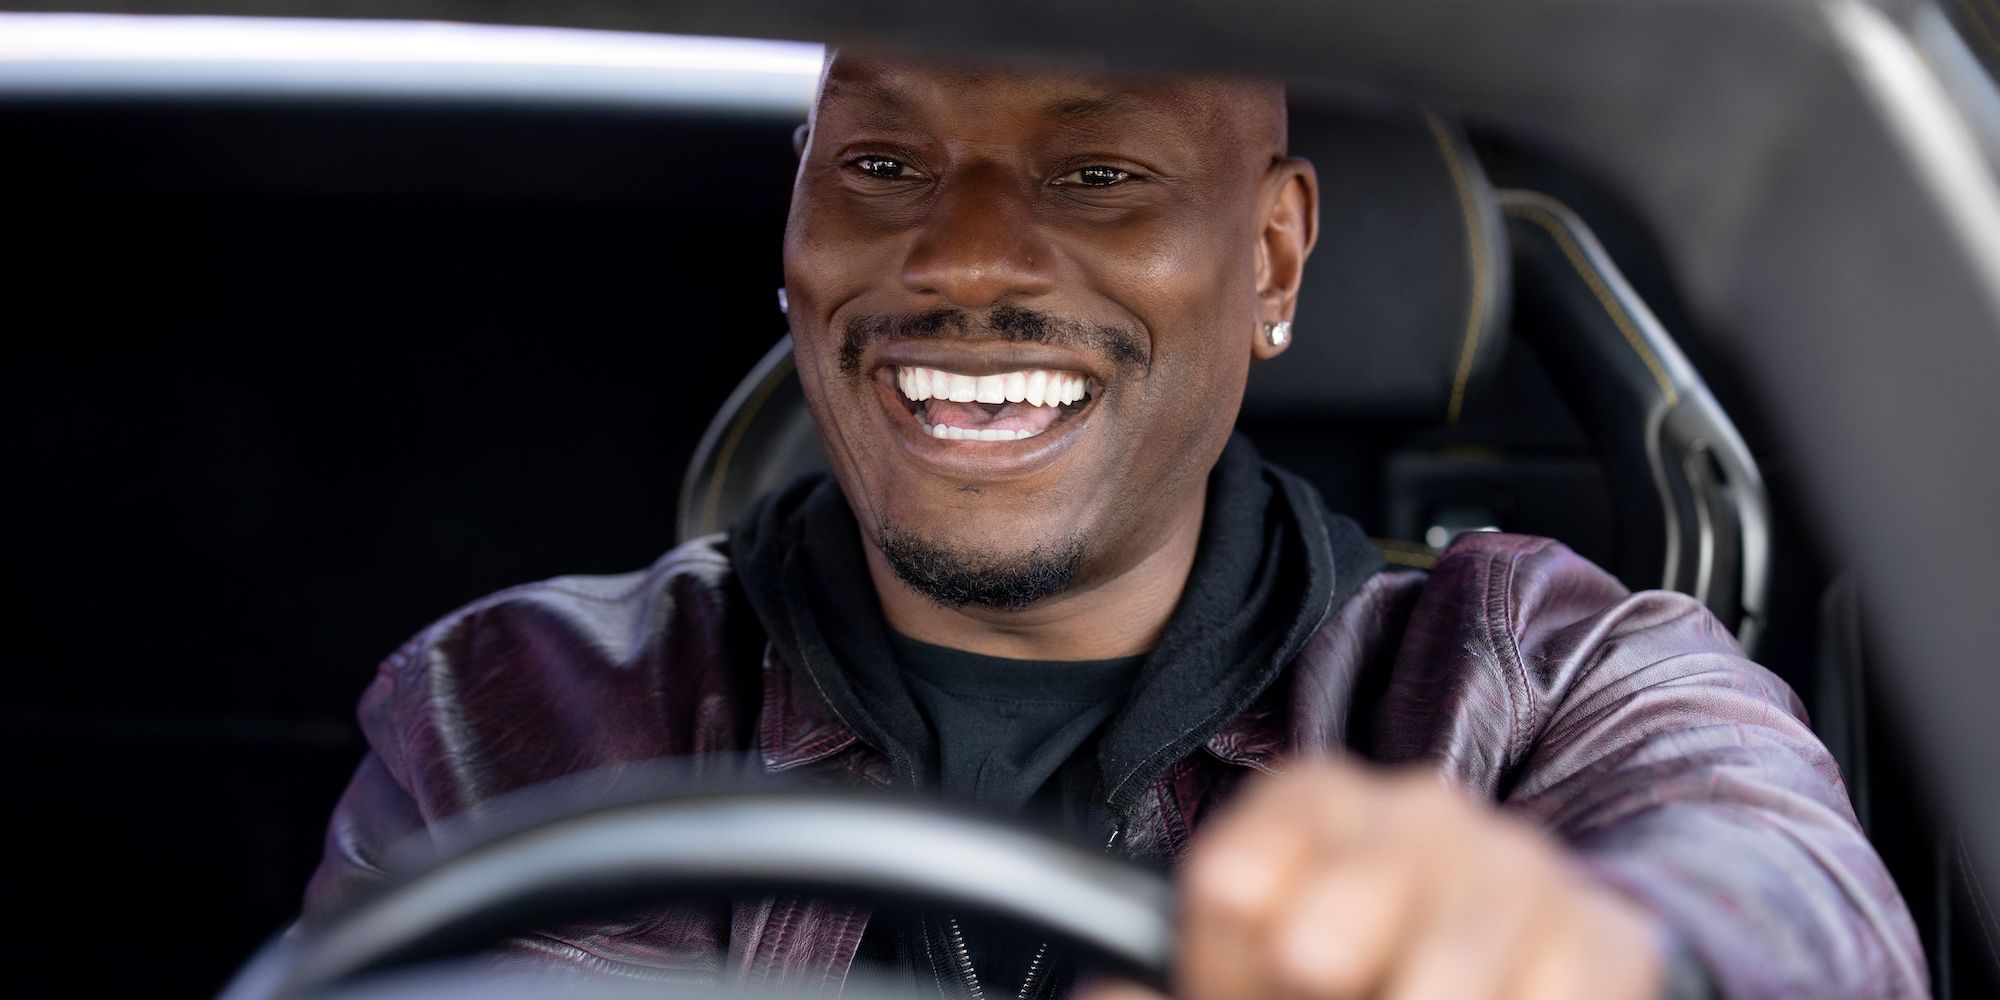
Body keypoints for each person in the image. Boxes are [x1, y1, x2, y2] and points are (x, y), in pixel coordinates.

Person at [304, 50, 1926, 999]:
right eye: (880, 159)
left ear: (1274, 259)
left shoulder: (1540, 685)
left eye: (1095, 175)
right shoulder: (521, 709)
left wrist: (1579, 951)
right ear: (797, 219)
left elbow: (1800, 909)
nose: (965, 259)